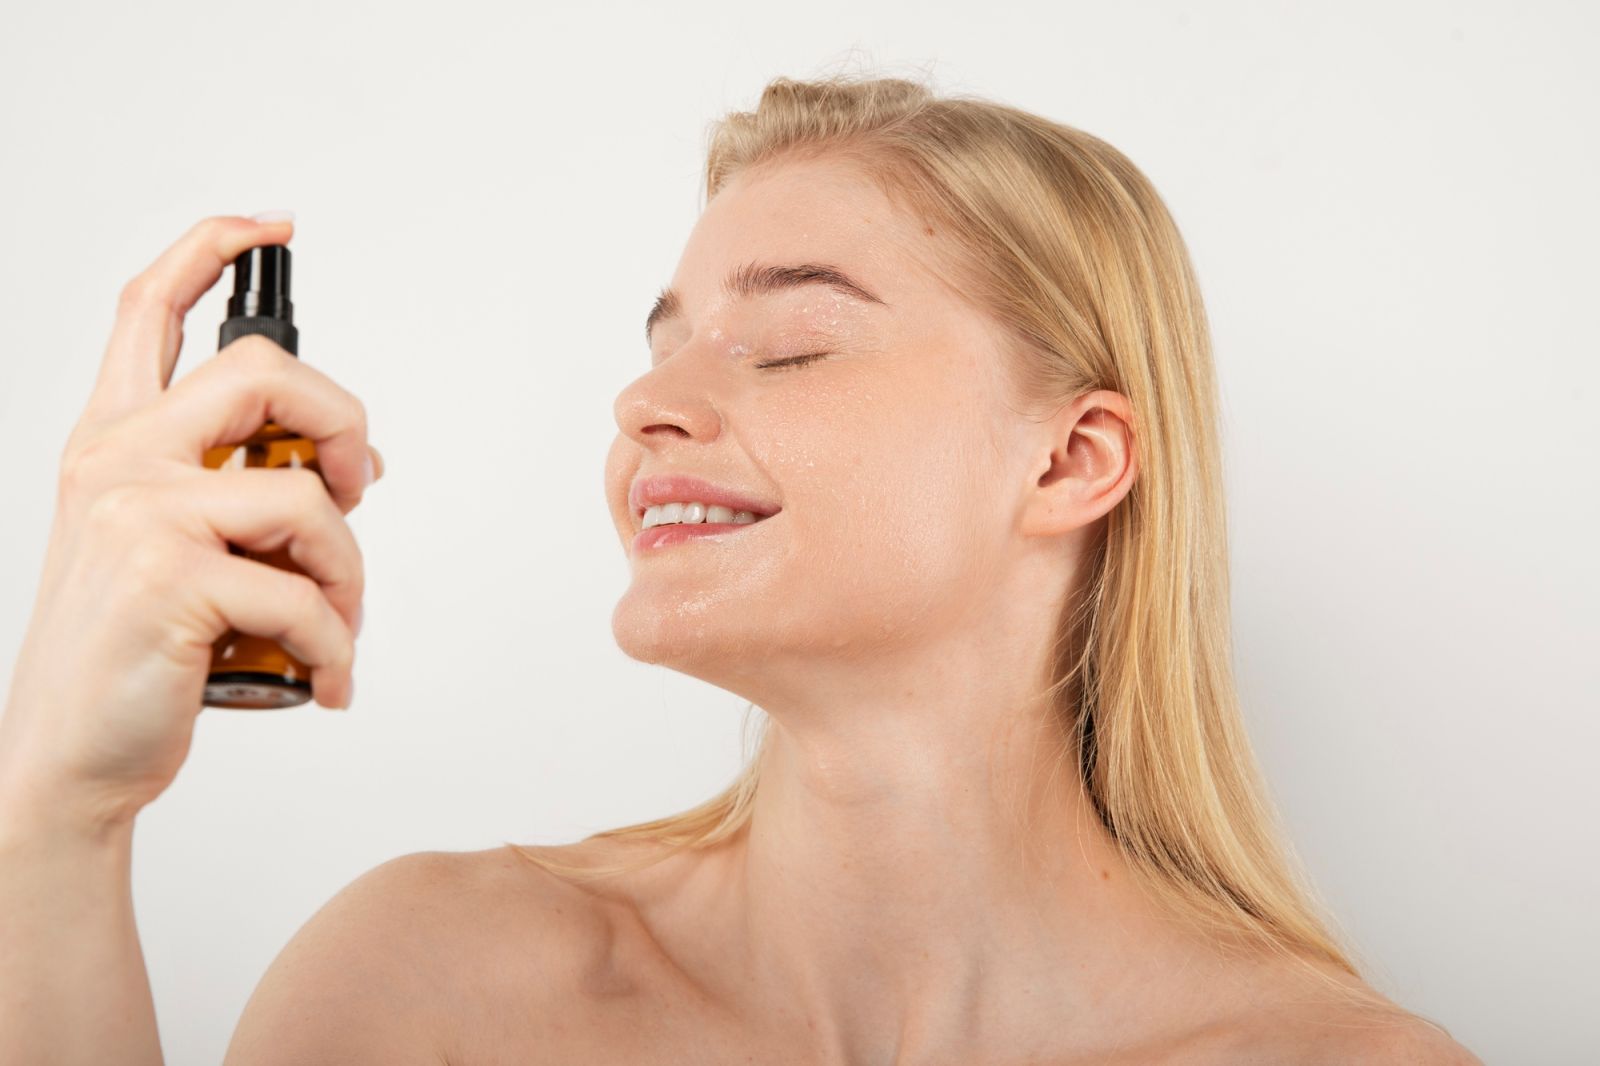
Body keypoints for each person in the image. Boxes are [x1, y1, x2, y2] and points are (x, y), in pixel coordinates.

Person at [0, 74, 1482, 1065]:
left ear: (1069, 460)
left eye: (787, 343)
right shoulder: (429, 983)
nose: (647, 402)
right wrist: (59, 821)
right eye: (664, 346)